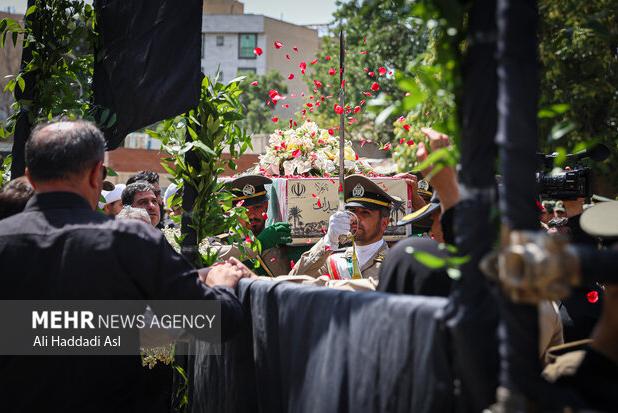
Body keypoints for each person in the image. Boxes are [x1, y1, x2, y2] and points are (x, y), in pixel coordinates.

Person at [0, 120, 252, 413]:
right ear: (97, 174)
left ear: (29, 177)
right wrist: (220, 283)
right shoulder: (131, 242)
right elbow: (216, 320)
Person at [290, 174, 400, 283]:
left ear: (384, 223)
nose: (355, 218)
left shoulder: (395, 263)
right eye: (352, 210)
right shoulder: (334, 260)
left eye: (365, 213)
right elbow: (293, 282)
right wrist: (328, 241)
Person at [214, 175, 293, 276]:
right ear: (232, 212)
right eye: (244, 210)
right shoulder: (225, 241)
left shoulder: (278, 236)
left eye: (257, 207)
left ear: (266, 206)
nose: (251, 215)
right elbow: (215, 256)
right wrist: (260, 243)